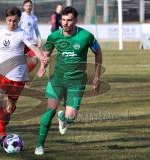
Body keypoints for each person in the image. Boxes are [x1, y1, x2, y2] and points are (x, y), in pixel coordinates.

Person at [0, 6, 48, 147]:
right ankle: (3, 136)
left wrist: (42, 59)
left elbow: (34, 49)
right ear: (5, 20)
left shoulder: (23, 34)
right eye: (9, 20)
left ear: (19, 21)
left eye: (15, 21)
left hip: (18, 77)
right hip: (0, 74)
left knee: (11, 106)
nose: (11, 23)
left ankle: (7, 114)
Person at [34, 6, 103, 155]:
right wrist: (43, 66)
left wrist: (97, 76)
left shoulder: (86, 36)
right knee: (50, 110)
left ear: (76, 20)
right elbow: (46, 54)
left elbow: (98, 52)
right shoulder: (54, 36)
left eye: (69, 20)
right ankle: (39, 146)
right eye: (63, 20)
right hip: (57, 78)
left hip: (77, 81)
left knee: (71, 117)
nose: (65, 23)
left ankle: (64, 118)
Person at [19, 0, 42, 73]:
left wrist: (40, 40)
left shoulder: (34, 17)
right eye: (27, 5)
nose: (29, 7)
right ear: (24, 7)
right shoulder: (20, 16)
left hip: (31, 43)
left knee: (35, 60)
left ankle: (24, 75)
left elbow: (36, 30)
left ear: (32, 6)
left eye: (30, 5)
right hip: (21, 43)